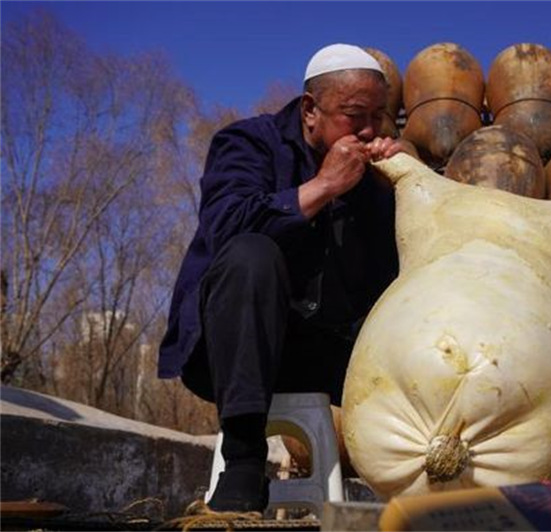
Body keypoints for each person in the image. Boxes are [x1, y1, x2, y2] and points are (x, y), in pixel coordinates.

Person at [158, 43, 407, 512]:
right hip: (236, 349)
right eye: (356, 115)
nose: (371, 130)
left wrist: (393, 191)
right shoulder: (246, 143)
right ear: (311, 110)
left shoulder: (373, 172)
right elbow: (226, 228)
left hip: (331, 352)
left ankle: (417, 485)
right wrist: (324, 186)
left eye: (381, 116)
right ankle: (245, 461)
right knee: (251, 253)